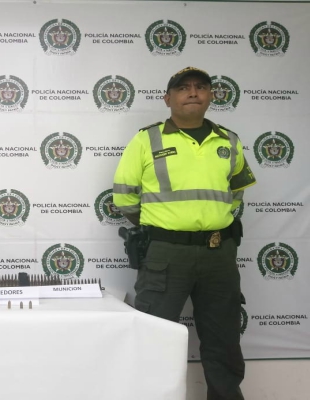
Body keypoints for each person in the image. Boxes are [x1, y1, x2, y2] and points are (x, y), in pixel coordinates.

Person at [113, 66, 257, 400]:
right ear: (168, 99)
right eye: (183, 88)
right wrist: (164, 226)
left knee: (224, 340)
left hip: (219, 253)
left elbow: (235, 193)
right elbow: (124, 197)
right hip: (165, 253)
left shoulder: (229, 141)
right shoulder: (146, 139)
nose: (192, 92)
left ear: (211, 96)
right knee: (155, 336)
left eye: (200, 87)